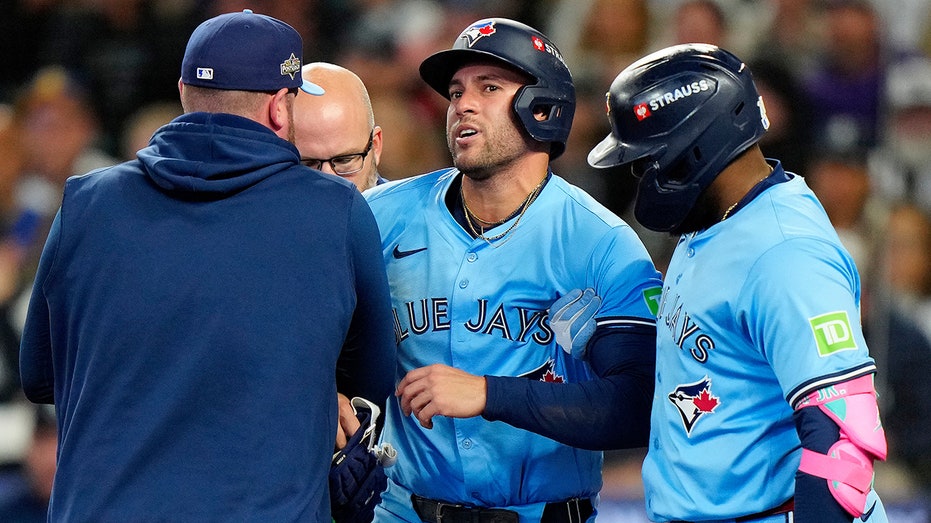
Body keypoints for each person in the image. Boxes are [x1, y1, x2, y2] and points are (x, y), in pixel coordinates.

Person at [18, 9, 396, 521]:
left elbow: (40, 375)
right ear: (280, 108)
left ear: (183, 92)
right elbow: (369, 383)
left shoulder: (85, 202)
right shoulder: (337, 211)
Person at [364, 18, 663, 523]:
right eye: (456, 91)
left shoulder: (600, 243)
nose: (463, 104)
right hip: (402, 512)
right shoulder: (382, 216)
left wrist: (488, 394)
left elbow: (638, 404)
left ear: (542, 109)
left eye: (489, 88)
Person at [588, 43, 888, 523]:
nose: (641, 175)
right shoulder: (713, 218)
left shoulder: (786, 254)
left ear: (697, 145)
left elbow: (842, 444)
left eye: (648, 160)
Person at [294, 62, 386, 192]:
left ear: (376, 147)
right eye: (308, 164)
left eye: (344, 160)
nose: (328, 180)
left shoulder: (410, 205)